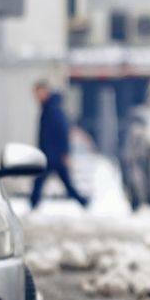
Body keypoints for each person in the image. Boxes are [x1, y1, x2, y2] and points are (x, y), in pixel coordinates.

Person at [30, 80, 89, 209]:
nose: (36, 97)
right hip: (49, 153)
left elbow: (63, 132)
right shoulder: (48, 107)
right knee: (63, 182)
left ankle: (33, 204)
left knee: (43, 181)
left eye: (37, 93)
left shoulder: (53, 109)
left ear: (44, 91)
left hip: (53, 155)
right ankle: (83, 201)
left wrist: (65, 153)